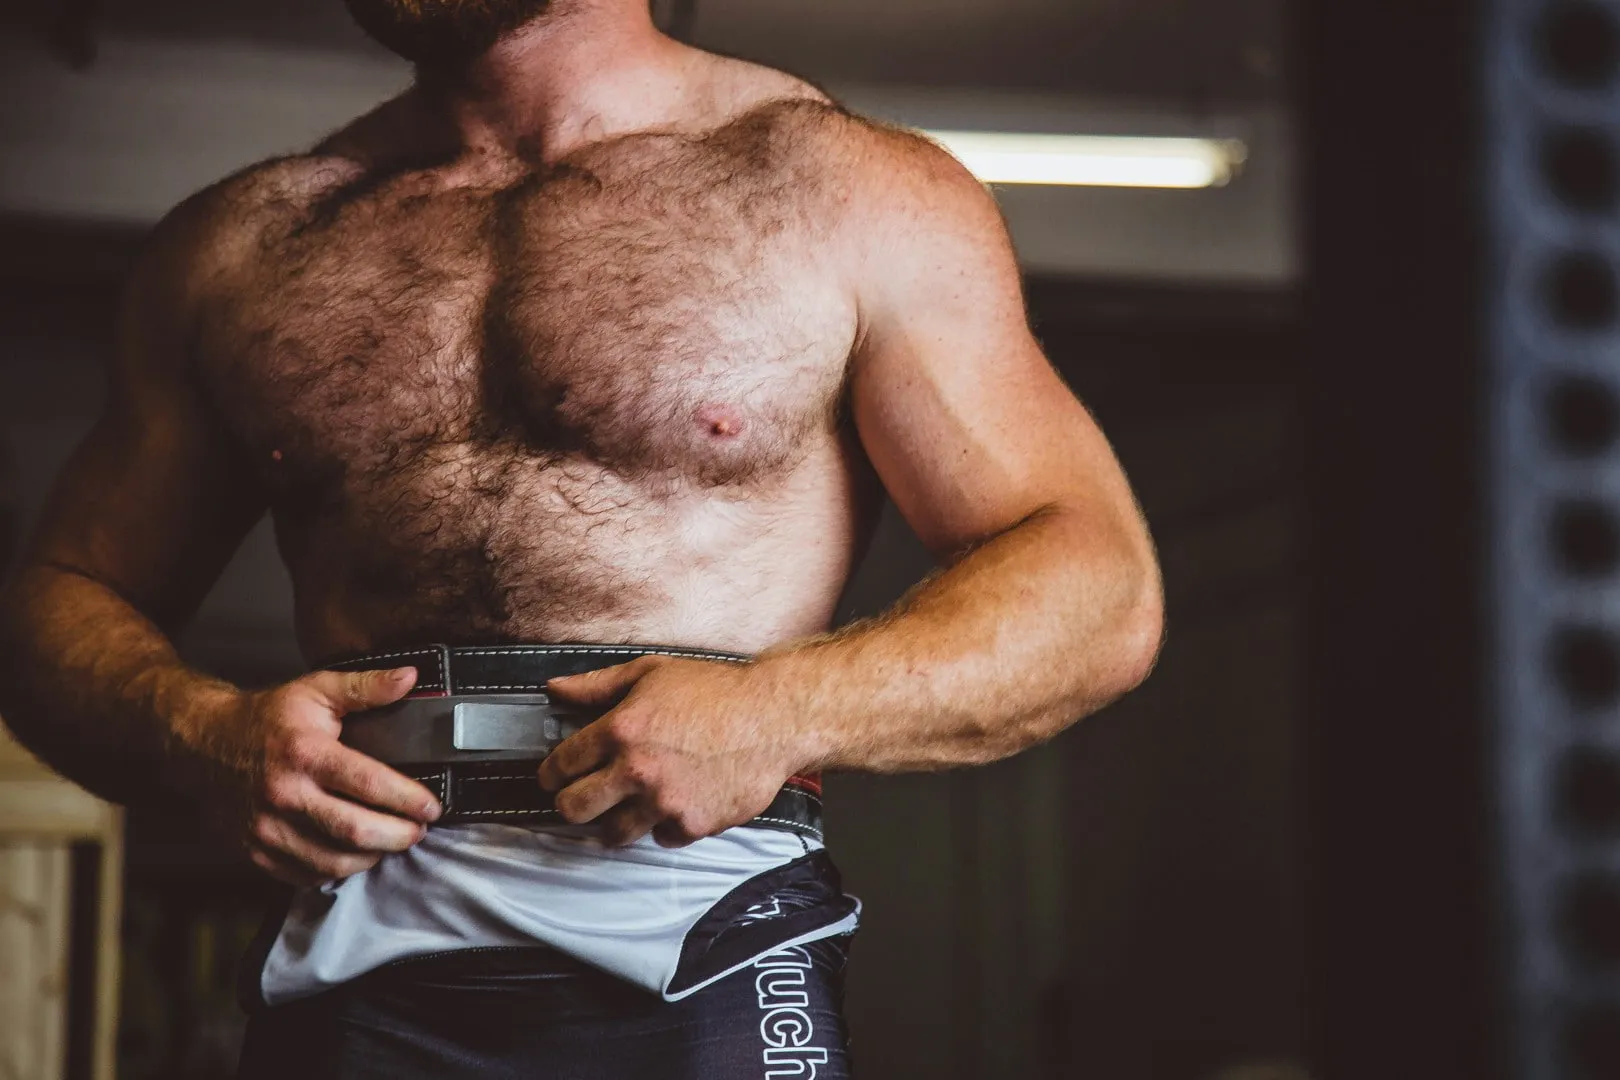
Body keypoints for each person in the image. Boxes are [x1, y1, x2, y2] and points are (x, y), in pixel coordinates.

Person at [0, 0, 1165, 1075]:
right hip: (354, 957)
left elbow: (1098, 583)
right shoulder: (244, 248)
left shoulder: (847, 194)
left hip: (702, 945)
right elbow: (58, 598)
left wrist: (781, 709)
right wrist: (195, 733)